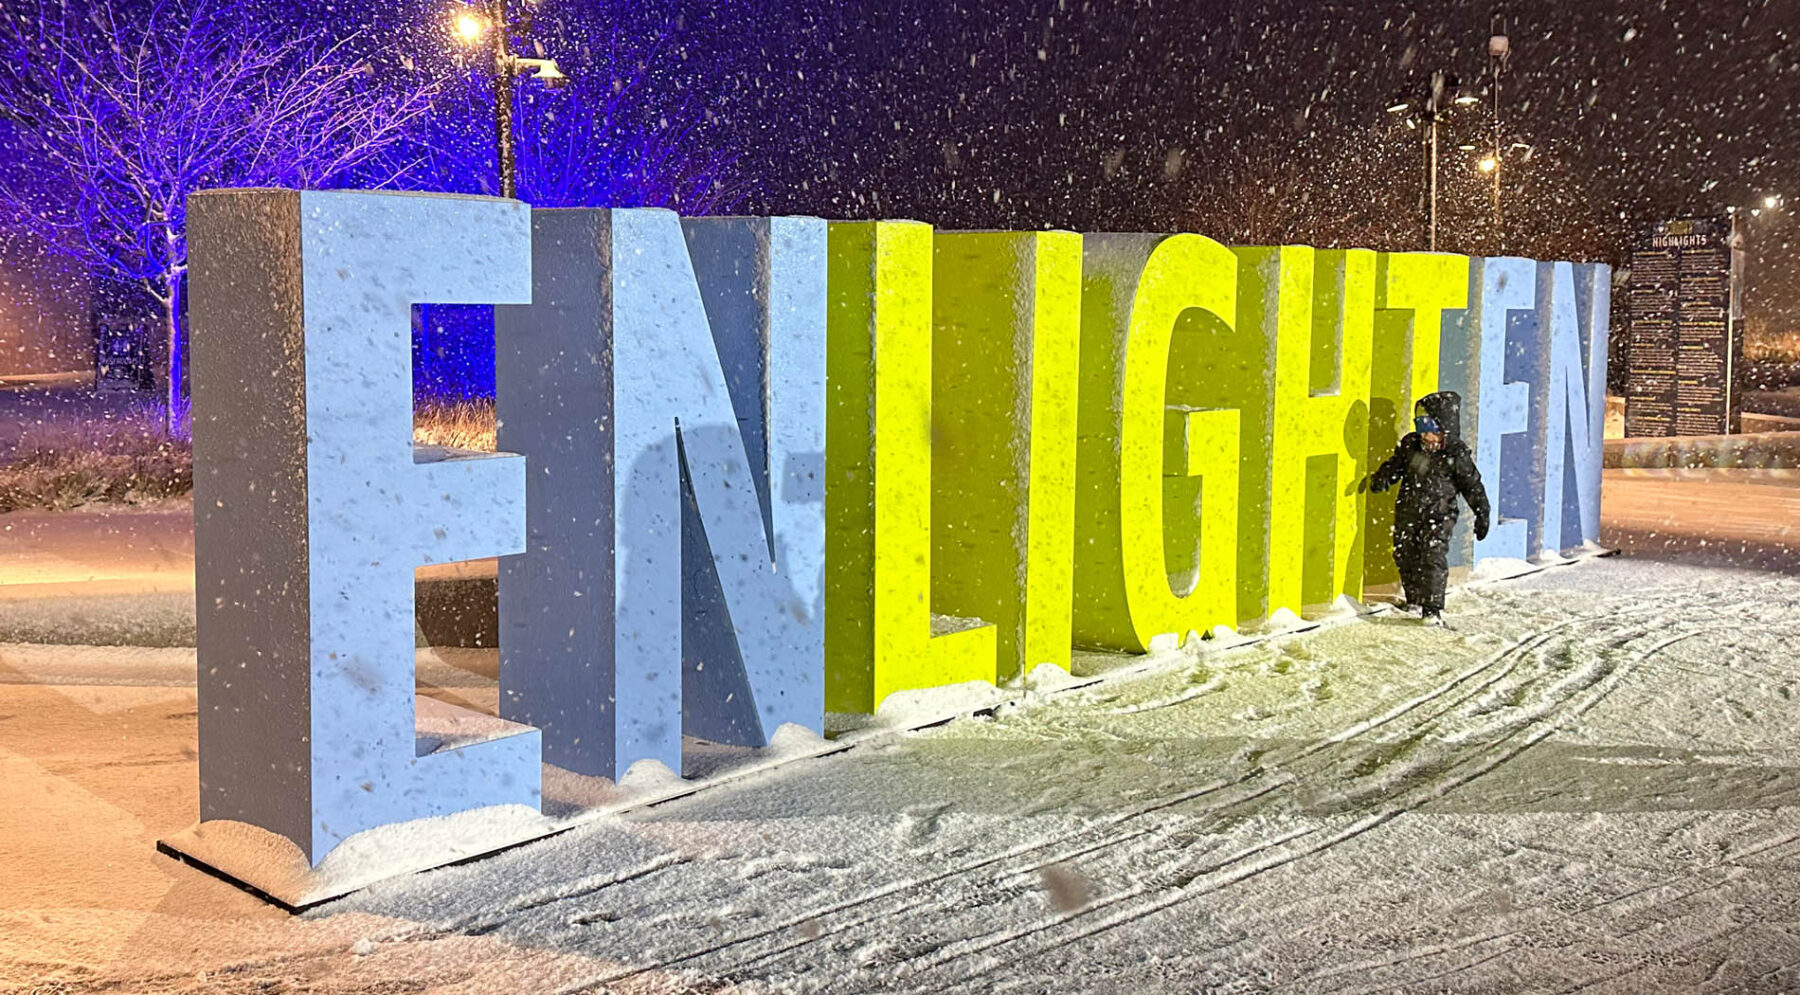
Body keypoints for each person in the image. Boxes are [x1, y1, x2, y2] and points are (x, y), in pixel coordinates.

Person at [1364, 390, 1490, 625]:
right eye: (1421, 429)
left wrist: (1482, 513)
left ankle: (1431, 609)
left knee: (1431, 556)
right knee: (1404, 553)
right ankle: (1414, 599)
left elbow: (1473, 485)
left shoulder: (1456, 455)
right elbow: (1396, 466)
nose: (1426, 437)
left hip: (1439, 514)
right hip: (1408, 511)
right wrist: (1382, 478)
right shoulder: (1412, 446)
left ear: (1446, 430)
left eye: (1431, 430)